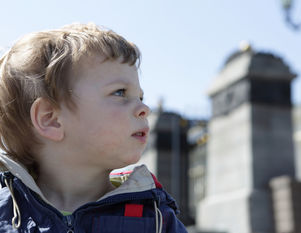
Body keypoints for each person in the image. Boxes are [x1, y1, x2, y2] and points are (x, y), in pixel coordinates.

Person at [0, 23, 188, 233]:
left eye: (140, 97)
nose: (144, 108)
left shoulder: (156, 219)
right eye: (120, 92)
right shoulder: (4, 214)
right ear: (51, 119)